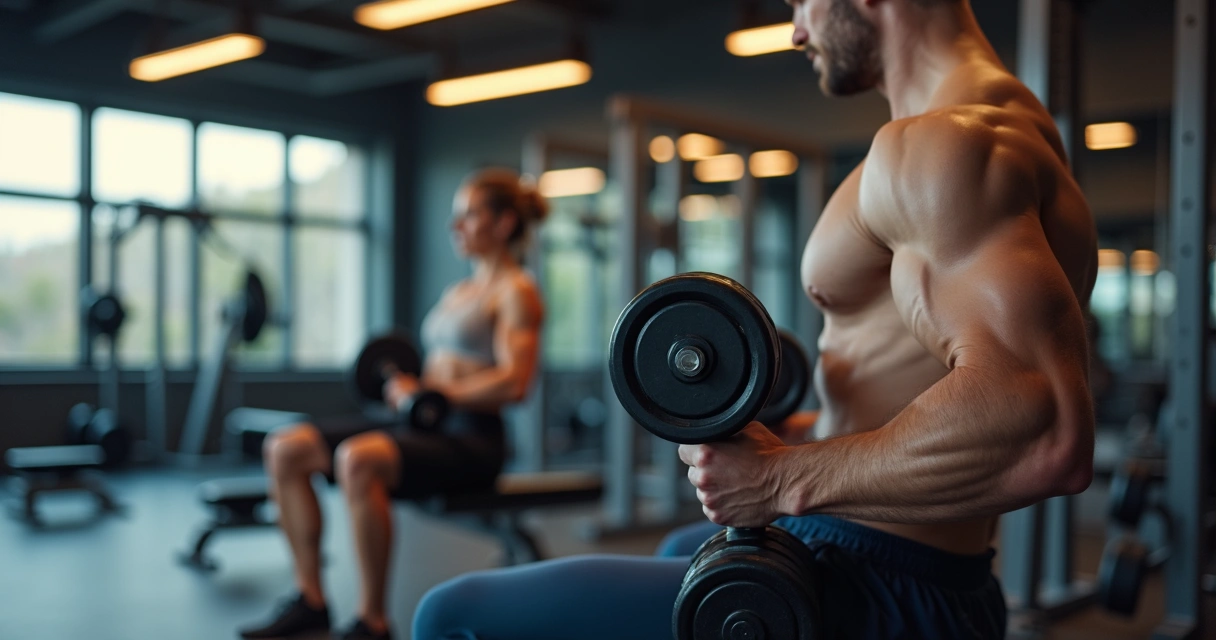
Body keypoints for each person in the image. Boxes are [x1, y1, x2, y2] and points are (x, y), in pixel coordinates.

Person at [412, 0, 1097, 638]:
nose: (797, 29)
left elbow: (1038, 425)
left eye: (801, 1)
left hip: (876, 579)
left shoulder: (946, 146)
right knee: (683, 545)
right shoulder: (1003, 130)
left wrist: (781, 477)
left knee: (453, 615)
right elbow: (926, 365)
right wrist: (806, 431)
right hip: (900, 558)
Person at [238, 168, 548, 640]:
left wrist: (433, 394)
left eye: (468, 216)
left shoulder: (517, 292)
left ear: (504, 223)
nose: (455, 227)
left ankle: (373, 621)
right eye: (455, 217)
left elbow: (515, 382)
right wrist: (410, 387)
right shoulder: (458, 292)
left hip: (472, 438)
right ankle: (311, 599)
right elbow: (440, 375)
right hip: (426, 423)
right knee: (285, 448)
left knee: (357, 459)